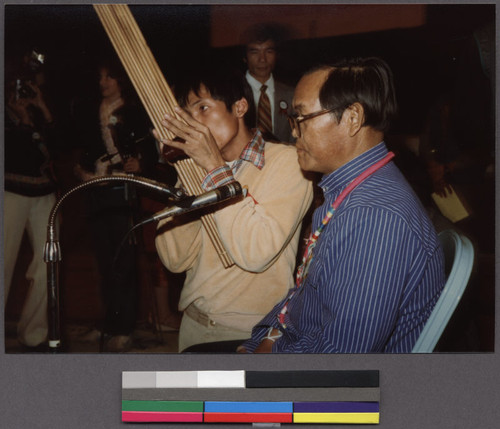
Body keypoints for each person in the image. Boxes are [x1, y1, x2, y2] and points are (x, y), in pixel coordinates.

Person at [240, 57, 446, 354]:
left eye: (302, 118)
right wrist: (260, 342)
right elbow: (303, 297)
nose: (294, 132)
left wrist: (265, 357)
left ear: (352, 118)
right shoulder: (350, 191)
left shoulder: (374, 215)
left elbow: (339, 355)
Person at [154, 66, 313, 352]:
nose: (195, 123)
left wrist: (214, 169)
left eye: (203, 108)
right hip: (193, 324)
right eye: (187, 115)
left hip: (251, 332)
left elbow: (256, 254)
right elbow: (174, 259)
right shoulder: (196, 171)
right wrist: (189, 175)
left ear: (239, 107)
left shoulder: (287, 164)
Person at [73, 58, 166, 351]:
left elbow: (152, 152)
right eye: (100, 77)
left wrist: (141, 163)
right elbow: (82, 148)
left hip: (123, 190)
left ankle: (125, 328)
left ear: (120, 80)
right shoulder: (93, 110)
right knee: (103, 259)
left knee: (123, 261)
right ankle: (108, 323)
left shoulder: (134, 111)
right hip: (96, 189)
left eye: (109, 77)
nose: (103, 83)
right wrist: (81, 169)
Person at [4, 49, 57, 350]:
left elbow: (59, 146)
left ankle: (34, 334)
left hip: (44, 193)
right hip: (10, 192)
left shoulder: (40, 107)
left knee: (46, 263)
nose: (26, 86)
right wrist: (22, 120)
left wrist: (41, 109)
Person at [242, 23, 295, 143]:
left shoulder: (291, 94)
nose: (262, 59)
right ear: (244, 57)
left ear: (277, 55)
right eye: (255, 52)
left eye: (269, 51)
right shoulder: (233, 93)